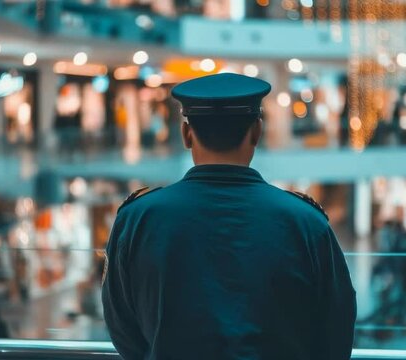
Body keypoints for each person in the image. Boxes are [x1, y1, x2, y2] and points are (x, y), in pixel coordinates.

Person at [101, 73, 356, 360]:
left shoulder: (137, 219)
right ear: (257, 132)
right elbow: (336, 330)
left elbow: (123, 330)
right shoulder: (306, 223)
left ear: (187, 134)